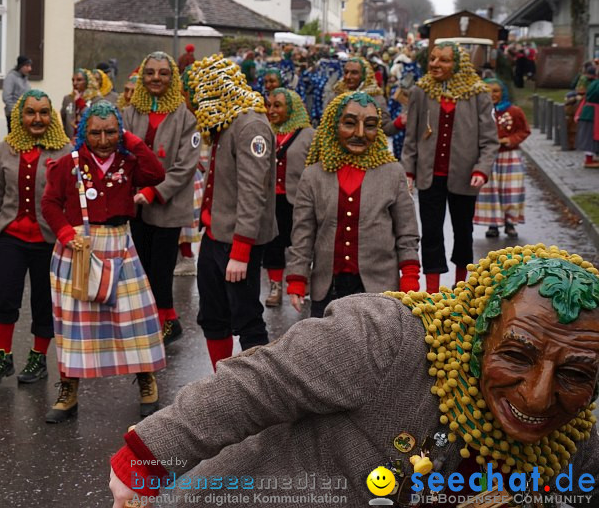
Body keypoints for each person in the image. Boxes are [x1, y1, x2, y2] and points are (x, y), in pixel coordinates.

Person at [107, 244, 599, 505]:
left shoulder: (576, 441)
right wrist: (146, 461)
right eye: (516, 356)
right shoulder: (385, 338)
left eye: (574, 374)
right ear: (478, 331)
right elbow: (259, 382)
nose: (537, 398)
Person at [41, 101, 166, 423]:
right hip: (78, 248)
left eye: (111, 131)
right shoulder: (68, 164)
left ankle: (146, 382)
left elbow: (157, 173)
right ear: (84, 132)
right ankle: (69, 391)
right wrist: (66, 234)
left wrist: (131, 140)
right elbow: (50, 203)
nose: (103, 139)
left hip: (120, 244)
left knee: (133, 319)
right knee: (73, 325)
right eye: (95, 132)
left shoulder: (128, 161)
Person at [285, 91, 419, 317]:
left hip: (379, 290)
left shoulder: (393, 173)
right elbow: (303, 233)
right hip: (328, 288)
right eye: (349, 123)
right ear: (332, 125)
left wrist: (410, 278)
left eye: (370, 125)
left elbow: (407, 232)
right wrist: (297, 278)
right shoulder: (313, 175)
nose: (359, 133)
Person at [184, 55, 276, 370]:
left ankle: (260, 393)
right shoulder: (225, 122)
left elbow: (254, 193)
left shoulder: (250, 125)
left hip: (236, 241)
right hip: (214, 235)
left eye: (196, 93)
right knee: (213, 316)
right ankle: (221, 385)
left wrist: (241, 249)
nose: (193, 102)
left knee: (247, 318)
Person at [0, 90, 70, 385]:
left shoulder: (65, 150)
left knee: (45, 302)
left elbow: (71, 198)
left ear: (51, 116)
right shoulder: (8, 147)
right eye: (30, 112)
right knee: (3, 296)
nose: (37, 118)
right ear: (20, 116)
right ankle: (2, 356)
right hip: (11, 235)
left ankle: (38, 358)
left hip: (49, 240)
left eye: (44, 112)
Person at [402, 42, 499, 293]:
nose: (435, 64)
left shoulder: (478, 93)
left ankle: (461, 285)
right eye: (432, 59)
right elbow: (411, 136)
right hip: (429, 175)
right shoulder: (421, 92)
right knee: (431, 233)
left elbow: (490, 140)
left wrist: (481, 169)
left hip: (465, 176)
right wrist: (409, 170)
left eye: (443, 60)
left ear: (457, 65)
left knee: (463, 232)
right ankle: (433, 291)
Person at [121, 52, 199, 345]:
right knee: (139, 266)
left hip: (169, 205)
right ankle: (150, 319)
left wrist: (156, 191)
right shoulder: (129, 113)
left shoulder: (185, 118)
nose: (156, 78)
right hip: (136, 207)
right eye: (150, 72)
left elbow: (185, 165)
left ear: (172, 78)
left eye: (163, 73)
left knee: (161, 268)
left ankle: (169, 320)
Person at [261, 88, 313, 308]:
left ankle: (304, 278)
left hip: (298, 199)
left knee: (301, 241)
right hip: (270, 199)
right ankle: (275, 286)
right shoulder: (263, 131)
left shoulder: (308, 135)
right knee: (272, 245)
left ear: (291, 108)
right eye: (269, 105)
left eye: (278, 105)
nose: (272, 110)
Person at [474, 79, 531, 238]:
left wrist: (510, 140)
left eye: (496, 91)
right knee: (490, 190)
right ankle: (493, 224)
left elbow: (524, 131)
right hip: (488, 156)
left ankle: (510, 223)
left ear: (503, 92)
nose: (492, 95)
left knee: (511, 190)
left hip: (509, 156)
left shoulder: (514, 111)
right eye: (488, 91)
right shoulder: (479, 112)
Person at [334, 55, 405, 136]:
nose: (348, 76)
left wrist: (399, 122)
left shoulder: (375, 98)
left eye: (354, 73)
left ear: (364, 76)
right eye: (346, 72)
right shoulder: (337, 95)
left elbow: (385, 128)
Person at [575, 66, 599, 168]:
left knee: (589, 136)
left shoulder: (594, 83)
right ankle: (589, 160)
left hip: (589, 112)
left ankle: (590, 159)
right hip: (593, 114)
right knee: (590, 137)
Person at [2, 55, 33, 129]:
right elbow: (6, 97)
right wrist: (15, 112)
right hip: (14, 116)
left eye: (30, 66)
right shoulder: (11, 77)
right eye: (27, 66)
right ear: (21, 66)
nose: (30, 69)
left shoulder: (25, 79)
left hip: (26, 115)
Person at [61, 69, 91, 138]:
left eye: (79, 80)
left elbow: (90, 117)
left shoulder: (94, 99)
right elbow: (62, 121)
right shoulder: (67, 99)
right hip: (70, 141)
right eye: (73, 80)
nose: (74, 83)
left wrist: (79, 102)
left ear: (87, 82)